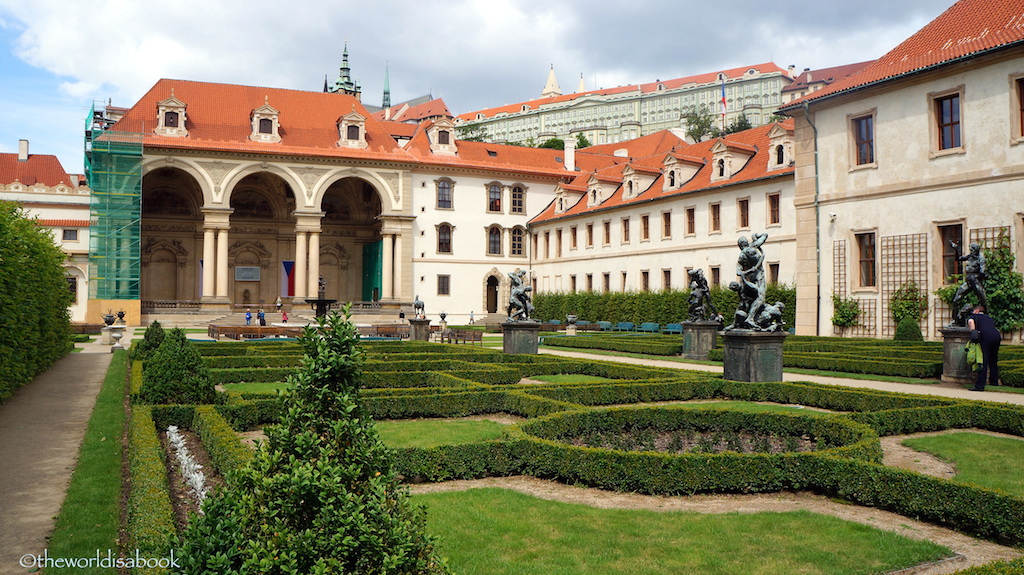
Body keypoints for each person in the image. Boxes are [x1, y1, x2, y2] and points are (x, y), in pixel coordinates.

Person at [967, 304, 1000, 391]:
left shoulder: (974, 316)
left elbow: (970, 322)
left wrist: (973, 333)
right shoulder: (989, 318)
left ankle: (980, 385)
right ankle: (994, 382)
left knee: (982, 360)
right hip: (996, 337)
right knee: (993, 360)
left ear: (977, 311)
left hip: (985, 337)